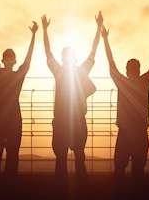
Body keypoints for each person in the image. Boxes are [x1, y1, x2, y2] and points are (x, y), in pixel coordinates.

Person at [100, 23, 149, 184]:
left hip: (124, 132)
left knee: (119, 169)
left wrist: (105, 39)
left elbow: (111, 62)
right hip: (140, 132)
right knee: (138, 170)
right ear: (138, 69)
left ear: (127, 70)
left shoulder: (122, 82)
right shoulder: (145, 82)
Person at [42, 12, 101, 190]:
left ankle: (61, 190)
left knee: (61, 160)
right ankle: (82, 189)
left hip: (61, 121)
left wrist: (44, 30)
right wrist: (98, 28)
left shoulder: (59, 72)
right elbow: (93, 51)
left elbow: (47, 52)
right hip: (77, 122)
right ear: (74, 58)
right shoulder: (81, 71)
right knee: (79, 158)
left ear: (63, 58)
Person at [0, 7, 38, 180]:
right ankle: (9, 186)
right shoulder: (18, 75)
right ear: (13, 61)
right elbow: (29, 58)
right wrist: (34, 35)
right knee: (12, 155)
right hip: (13, 117)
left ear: (3, 60)